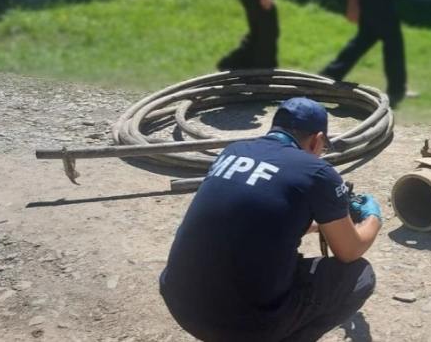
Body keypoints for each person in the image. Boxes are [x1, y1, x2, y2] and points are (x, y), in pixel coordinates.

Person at [159, 97, 383, 341]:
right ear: (317, 139)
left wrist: (320, 226)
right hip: (242, 327)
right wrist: (373, 216)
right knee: (361, 276)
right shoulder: (317, 172)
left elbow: (258, 220)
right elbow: (350, 251)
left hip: (182, 304)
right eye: (323, 147)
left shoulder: (233, 151)